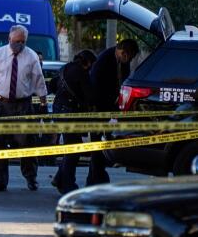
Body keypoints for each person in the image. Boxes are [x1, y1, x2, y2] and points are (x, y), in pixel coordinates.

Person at [0, 24, 47, 192]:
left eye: (23, 41)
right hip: (0, 105)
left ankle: (31, 178)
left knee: (27, 143)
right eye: (16, 41)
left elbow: (39, 82)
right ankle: (0, 181)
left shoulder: (31, 57)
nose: (19, 44)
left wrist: (43, 105)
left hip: (23, 105)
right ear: (9, 39)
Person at [85, 38, 139, 185]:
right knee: (98, 147)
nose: (130, 60)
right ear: (123, 52)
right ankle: (97, 180)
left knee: (101, 147)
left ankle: (93, 179)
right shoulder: (103, 61)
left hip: (110, 110)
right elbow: (96, 89)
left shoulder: (122, 62)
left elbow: (124, 82)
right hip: (99, 110)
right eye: (130, 57)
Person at [51, 49, 98, 194]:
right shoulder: (81, 73)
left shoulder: (64, 68)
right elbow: (90, 96)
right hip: (70, 114)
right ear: (88, 63)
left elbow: (52, 85)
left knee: (71, 147)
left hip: (59, 111)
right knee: (73, 149)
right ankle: (67, 184)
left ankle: (60, 178)